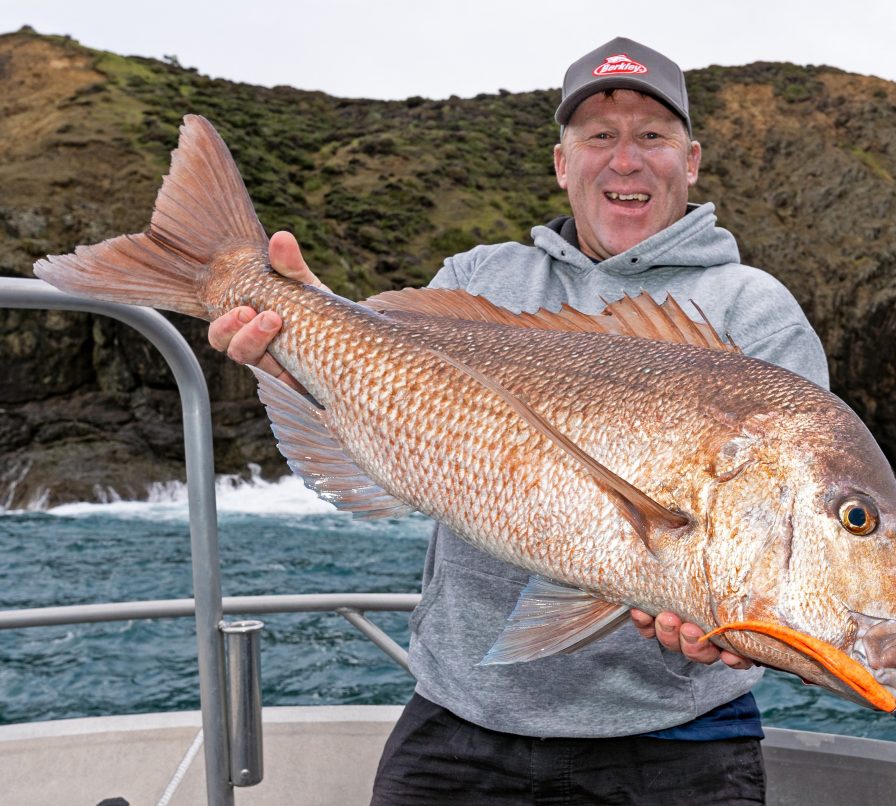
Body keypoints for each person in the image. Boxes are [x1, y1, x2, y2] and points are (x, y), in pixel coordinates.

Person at [209, 37, 829, 805]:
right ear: (563, 164)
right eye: (599, 137)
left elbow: (795, 528)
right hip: (460, 719)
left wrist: (736, 627)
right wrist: (293, 343)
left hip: (677, 743)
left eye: (652, 136)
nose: (625, 160)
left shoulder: (754, 310)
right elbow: (380, 419)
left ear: (692, 159)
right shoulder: (478, 277)